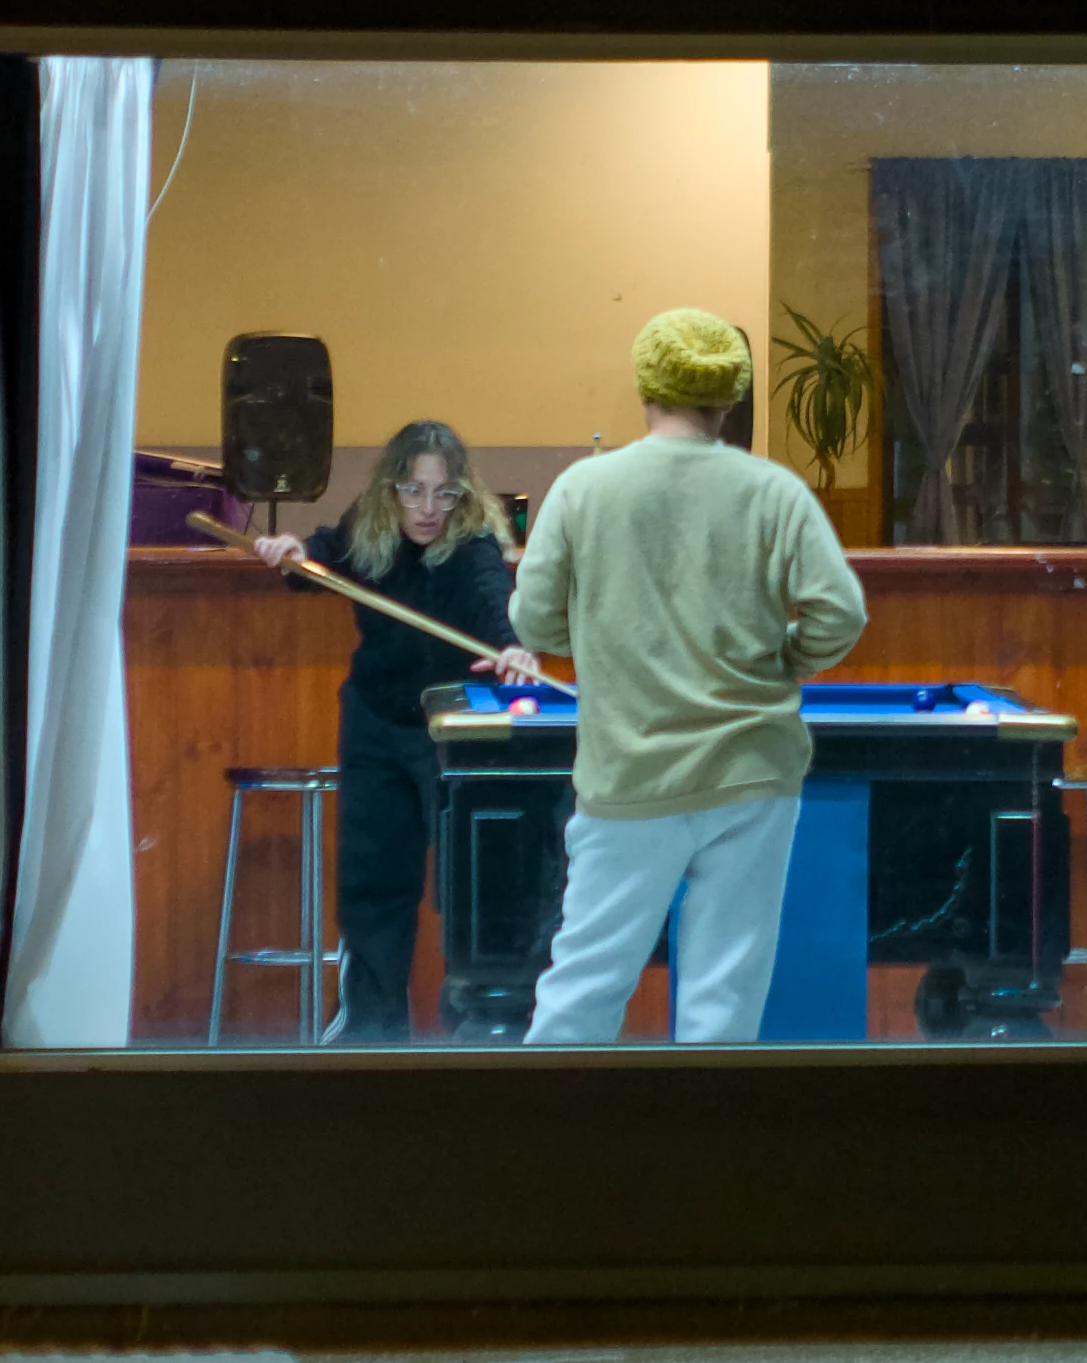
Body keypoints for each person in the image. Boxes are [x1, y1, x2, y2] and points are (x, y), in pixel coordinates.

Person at [508, 308, 871, 1045]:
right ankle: (708, 1156)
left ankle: (544, 1149)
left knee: (581, 989)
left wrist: (594, 634)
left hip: (629, 777)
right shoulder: (774, 492)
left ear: (646, 384)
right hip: (753, 774)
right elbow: (839, 614)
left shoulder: (584, 488)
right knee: (724, 1003)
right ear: (729, 397)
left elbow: (534, 623)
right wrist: (785, 660)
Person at [250, 422, 544, 1041]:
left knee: (469, 892)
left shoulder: (472, 546)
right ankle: (371, 1039)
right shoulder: (369, 526)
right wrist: (288, 552)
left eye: (444, 493)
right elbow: (316, 557)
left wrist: (513, 650)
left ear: (463, 495)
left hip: (450, 737)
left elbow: (496, 602)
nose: (428, 509)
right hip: (376, 727)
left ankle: (474, 1039)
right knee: (373, 887)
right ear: (392, 488)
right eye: (414, 490)